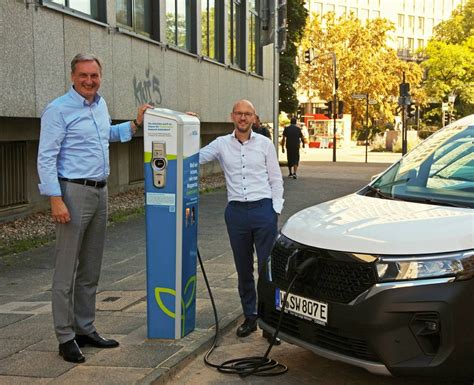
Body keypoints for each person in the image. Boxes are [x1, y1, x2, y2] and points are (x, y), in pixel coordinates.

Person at [37, 53, 152, 364]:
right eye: (83, 76)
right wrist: (55, 198)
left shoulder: (100, 105)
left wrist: (135, 123)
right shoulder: (58, 110)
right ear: (73, 77)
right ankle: (65, 336)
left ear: (100, 77)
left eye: (94, 76)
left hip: (100, 193)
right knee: (65, 271)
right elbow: (46, 157)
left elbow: (108, 135)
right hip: (72, 192)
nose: (89, 81)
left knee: (90, 268)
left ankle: (85, 328)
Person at [199, 100, 284, 340]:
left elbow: (276, 179)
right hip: (236, 212)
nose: (243, 118)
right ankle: (250, 316)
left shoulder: (265, 145)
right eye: (239, 113)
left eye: (248, 114)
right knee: (243, 267)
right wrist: (190, 127)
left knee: (267, 268)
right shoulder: (221, 144)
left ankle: (270, 322)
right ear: (232, 116)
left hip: (263, 210)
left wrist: (274, 209)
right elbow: (195, 158)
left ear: (254, 118)